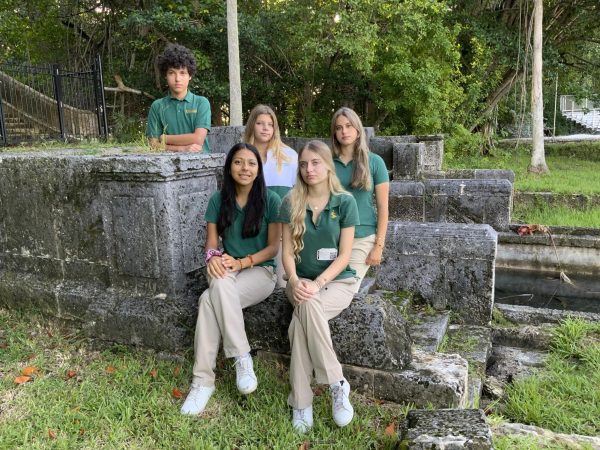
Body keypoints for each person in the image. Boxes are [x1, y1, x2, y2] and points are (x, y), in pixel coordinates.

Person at [180, 143, 281, 415]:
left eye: (251, 163)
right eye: (238, 162)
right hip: (227, 269)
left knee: (207, 300)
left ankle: (205, 379)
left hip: (261, 271)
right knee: (211, 294)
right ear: (229, 167)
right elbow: (211, 244)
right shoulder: (218, 199)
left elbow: (273, 249)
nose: (244, 168)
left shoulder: (271, 200)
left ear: (258, 169)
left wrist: (242, 263)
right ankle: (237, 359)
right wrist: (213, 257)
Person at [278, 140, 360, 432]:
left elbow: (346, 255)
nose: (309, 169)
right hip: (298, 281)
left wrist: (320, 282)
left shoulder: (345, 202)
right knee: (306, 303)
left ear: (328, 166)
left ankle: (301, 402)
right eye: (303, 164)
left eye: (315, 163)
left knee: (299, 323)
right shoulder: (290, 201)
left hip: (338, 281)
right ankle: (337, 382)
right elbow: (287, 252)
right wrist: (297, 280)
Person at [331, 107, 389, 288]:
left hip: (362, 237)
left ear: (357, 130)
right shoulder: (326, 162)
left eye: (348, 126)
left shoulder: (375, 162)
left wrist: (378, 246)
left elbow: (383, 208)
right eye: (339, 128)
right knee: (322, 286)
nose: (344, 131)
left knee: (345, 288)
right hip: (331, 236)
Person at [243, 104, 298, 287]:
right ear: (252, 125)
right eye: (260, 123)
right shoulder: (242, 156)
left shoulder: (289, 156)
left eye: (270, 124)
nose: (265, 128)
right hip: (253, 232)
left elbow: (298, 194)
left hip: (282, 233)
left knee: (283, 286)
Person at [146, 43, 211, 153]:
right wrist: (181, 149)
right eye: (172, 73)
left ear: (190, 76)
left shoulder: (201, 103)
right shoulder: (157, 106)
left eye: (182, 73)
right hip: (167, 166)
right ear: (165, 75)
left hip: (202, 165)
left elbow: (198, 139)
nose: (177, 79)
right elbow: (152, 144)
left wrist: (164, 138)